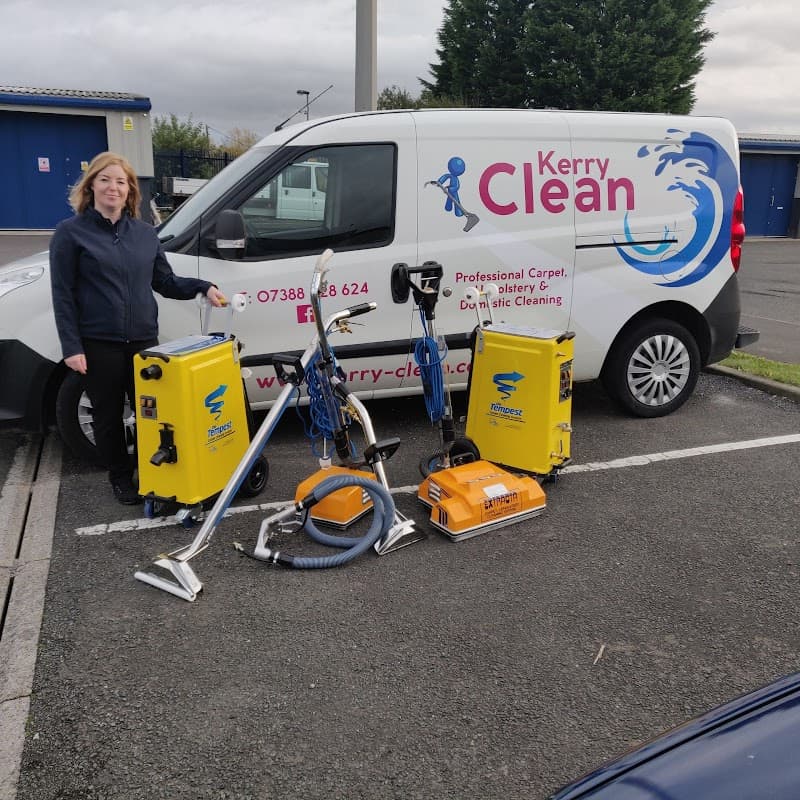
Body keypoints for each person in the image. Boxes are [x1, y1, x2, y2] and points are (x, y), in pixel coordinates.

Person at [49, 151, 226, 504]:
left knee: (151, 412)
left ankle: (153, 472)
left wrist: (202, 286)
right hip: (99, 342)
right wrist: (72, 347)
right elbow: (63, 295)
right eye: (105, 180)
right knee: (108, 414)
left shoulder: (145, 234)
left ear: (130, 191)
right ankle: (119, 476)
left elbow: (165, 282)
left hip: (144, 340)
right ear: (91, 186)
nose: (113, 188)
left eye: (121, 182)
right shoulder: (71, 234)